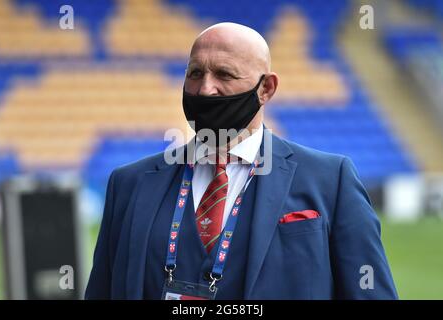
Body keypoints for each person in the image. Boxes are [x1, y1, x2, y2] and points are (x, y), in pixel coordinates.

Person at [85, 22, 398, 299]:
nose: (205, 89)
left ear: (266, 88)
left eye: (224, 74)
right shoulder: (128, 184)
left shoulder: (331, 180)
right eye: (195, 73)